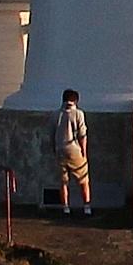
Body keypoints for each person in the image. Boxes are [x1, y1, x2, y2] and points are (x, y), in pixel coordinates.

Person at [54, 89, 93, 218]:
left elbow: (51, 133)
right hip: (74, 150)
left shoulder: (56, 114)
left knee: (63, 182)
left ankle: (65, 208)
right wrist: (84, 153)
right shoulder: (78, 114)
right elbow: (82, 135)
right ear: (76, 100)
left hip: (60, 149)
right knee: (84, 180)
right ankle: (86, 207)